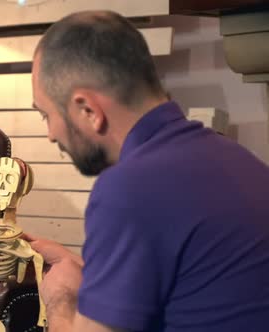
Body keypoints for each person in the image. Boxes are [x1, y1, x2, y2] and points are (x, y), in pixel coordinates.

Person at [29, 10, 269, 332]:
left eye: (46, 115)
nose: (51, 134)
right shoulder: (239, 160)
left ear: (88, 110)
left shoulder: (128, 189)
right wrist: (85, 270)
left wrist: (60, 298)